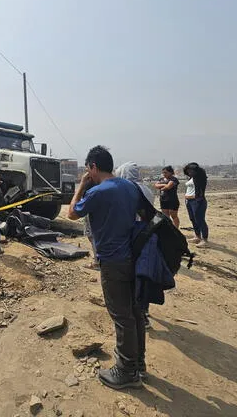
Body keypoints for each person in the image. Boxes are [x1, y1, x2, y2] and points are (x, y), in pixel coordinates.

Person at [67, 146, 145, 389]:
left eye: (87, 169)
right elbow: (143, 214)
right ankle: (138, 363)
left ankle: (126, 371)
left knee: (122, 317)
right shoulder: (130, 187)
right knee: (135, 313)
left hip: (112, 261)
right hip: (133, 257)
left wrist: (81, 185)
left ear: (92, 167)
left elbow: (71, 213)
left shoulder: (98, 192)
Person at [116, 161, 155, 329]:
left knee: (131, 275)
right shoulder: (146, 189)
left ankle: (137, 314)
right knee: (142, 274)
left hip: (132, 236)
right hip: (147, 235)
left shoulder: (126, 190)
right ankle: (143, 310)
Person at [183, 162, 209, 248]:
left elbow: (200, 193)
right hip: (189, 201)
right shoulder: (191, 178)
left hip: (197, 201)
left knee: (200, 220)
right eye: (188, 171)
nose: (189, 172)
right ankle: (197, 236)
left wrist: (193, 197)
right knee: (193, 219)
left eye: (190, 171)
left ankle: (204, 239)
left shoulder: (200, 178)